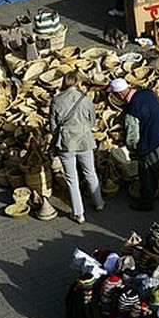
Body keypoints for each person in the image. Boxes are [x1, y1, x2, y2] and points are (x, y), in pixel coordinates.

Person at [109, 77, 159, 211]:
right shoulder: (147, 92)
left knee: (148, 174)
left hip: (155, 142)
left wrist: (134, 151)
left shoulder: (132, 109)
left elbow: (132, 137)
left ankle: (146, 204)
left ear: (119, 94)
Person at [50, 71, 104, 224]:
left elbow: (53, 125)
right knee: (90, 173)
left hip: (66, 143)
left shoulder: (56, 99)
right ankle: (98, 203)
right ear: (78, 82)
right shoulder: (85, 99)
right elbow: (92, 120)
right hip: (85, 140)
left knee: (71, 178)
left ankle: (78, 213)